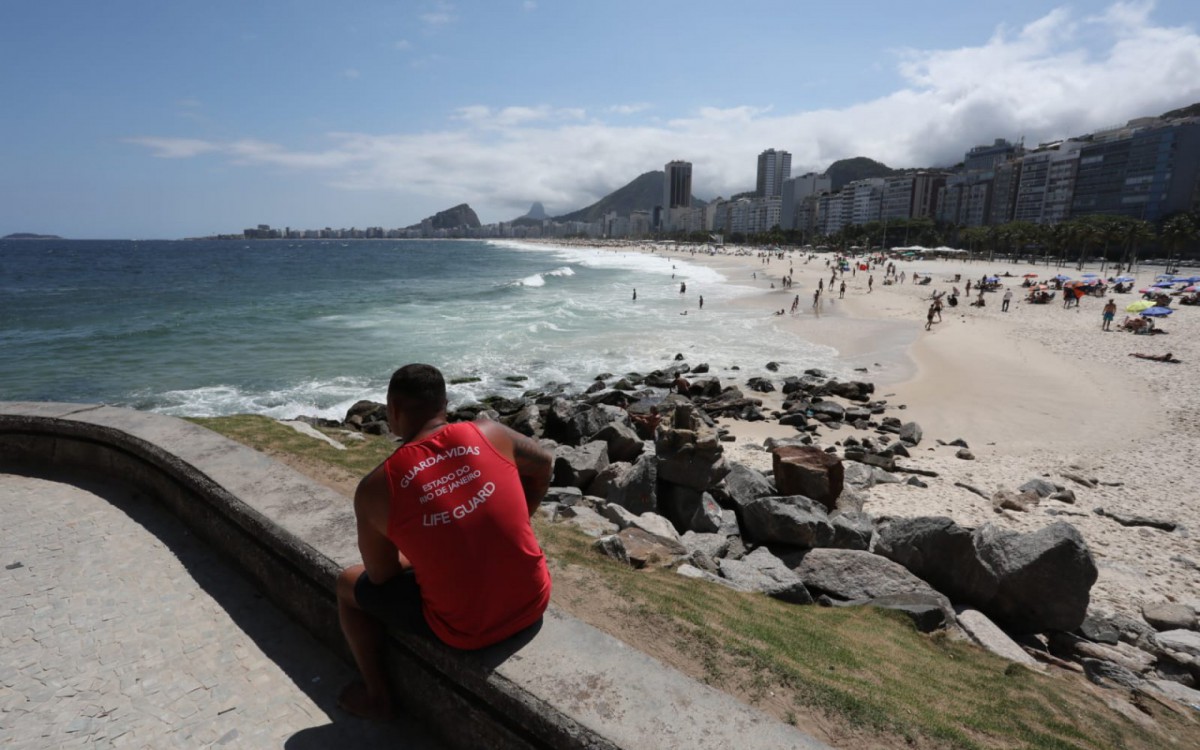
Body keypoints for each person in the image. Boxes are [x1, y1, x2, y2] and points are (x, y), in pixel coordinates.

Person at [336, 364, 553, 720]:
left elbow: (381, 576)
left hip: (467, 631)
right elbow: (544, 464)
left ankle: (377, 696)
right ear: (445, 403)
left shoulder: (376, 488)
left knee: (347, 584)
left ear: (392, 409)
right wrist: (516, 519)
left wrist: (424, 551)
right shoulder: (490, 432)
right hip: (534, 600)